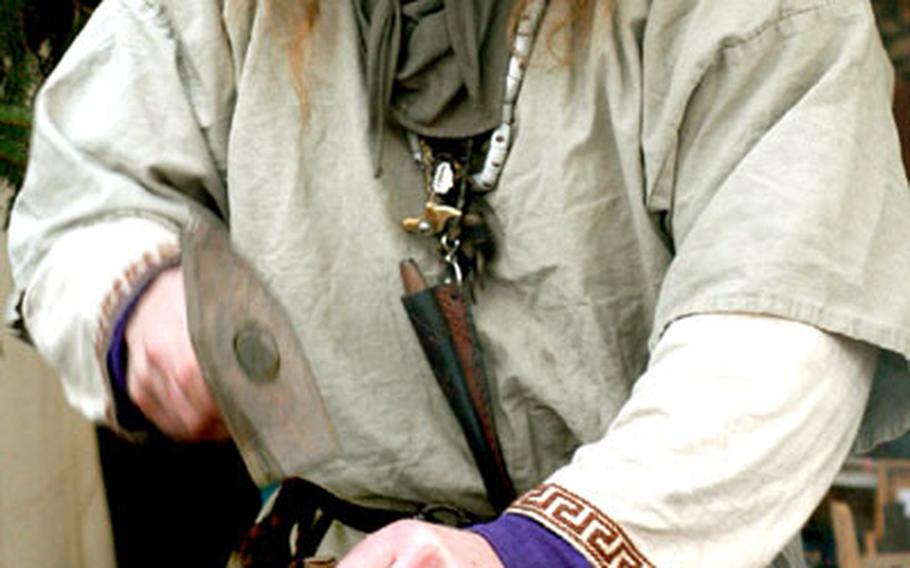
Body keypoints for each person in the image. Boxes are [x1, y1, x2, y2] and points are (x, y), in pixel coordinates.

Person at [6, 0, 910, 566]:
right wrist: (135, 301)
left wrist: (534, 552)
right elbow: (85, 192)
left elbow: (782, 330)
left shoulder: (761, 16)